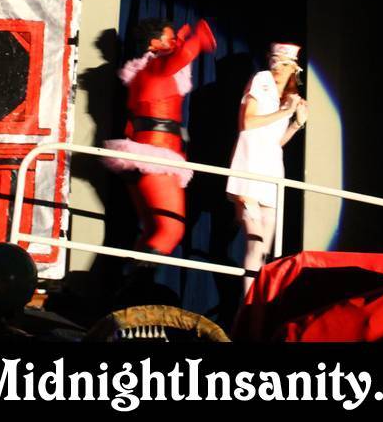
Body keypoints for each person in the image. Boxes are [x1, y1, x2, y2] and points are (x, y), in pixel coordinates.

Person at [102, 18, 216, 256]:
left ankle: (130, 278)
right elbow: (184, 55)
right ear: (154, 44)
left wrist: (184, 41)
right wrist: (198, 38)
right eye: (170, 38)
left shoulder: (142, 73)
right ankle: (136, 277)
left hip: (142, 156)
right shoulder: (155, 68)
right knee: (171, 231)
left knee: (151, 231)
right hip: (155, 158)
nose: (175, 42)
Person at [226, 43, 308, 294]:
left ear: (294, 69)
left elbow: (275, 143)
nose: (278, 68)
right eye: (275, 61)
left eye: (285, 64)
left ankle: (255, 303)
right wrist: (285, 111)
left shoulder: (285, 96)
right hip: (249, 171)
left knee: (265, 250)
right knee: (255, 242)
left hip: (271, 174)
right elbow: (248, 122)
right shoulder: (262, 80)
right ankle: (249, 304)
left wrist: (296, 123)